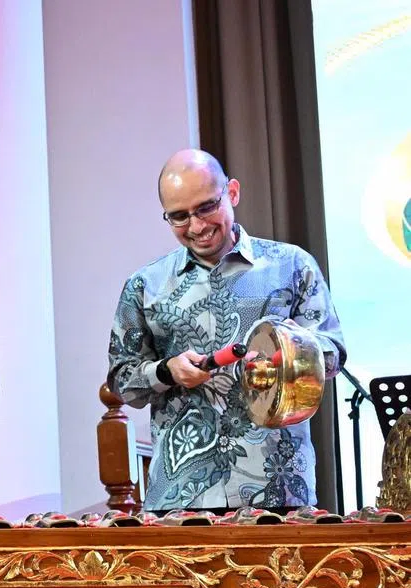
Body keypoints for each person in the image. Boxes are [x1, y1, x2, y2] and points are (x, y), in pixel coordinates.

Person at [107, 148, 346, 512]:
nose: (197, 226)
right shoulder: (145, 285)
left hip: (277, 488)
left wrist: (296, 349)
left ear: (232, 193)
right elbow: (121, 381)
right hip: (180, 495)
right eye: (179, 216)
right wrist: (166, 371)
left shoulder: (292, 266)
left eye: (206, 207)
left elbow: (334, 353)